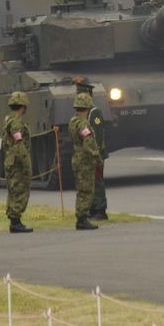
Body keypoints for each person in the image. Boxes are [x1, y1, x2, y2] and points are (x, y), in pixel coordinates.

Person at [76, 81, 109, 221]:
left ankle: (100, 210)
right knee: (89, 182)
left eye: (82, 94)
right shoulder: (83, 113)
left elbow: (97, 133)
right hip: (87, 153)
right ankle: (92, 208)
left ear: (89, 95)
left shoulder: (94, 113)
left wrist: (95, 153)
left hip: (95, 153)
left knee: (97, 182)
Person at [2, 91, 33, 233]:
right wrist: (26, 164)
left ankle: (14, 220)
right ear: (23, 106)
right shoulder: (16, 122)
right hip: (17, 161)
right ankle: (15, 221)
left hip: (11, 160)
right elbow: (19, 143)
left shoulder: (9, 119)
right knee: (19, 189)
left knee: (14, 189)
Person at [68, 93, 100, 230]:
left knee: (81, 189)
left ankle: (81, 217)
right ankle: (82, 218)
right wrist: (96, 156)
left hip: (77, 157)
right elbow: (88, 142)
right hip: (85, 160)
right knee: (86, 190)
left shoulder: (73, 121)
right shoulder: (83, 123)